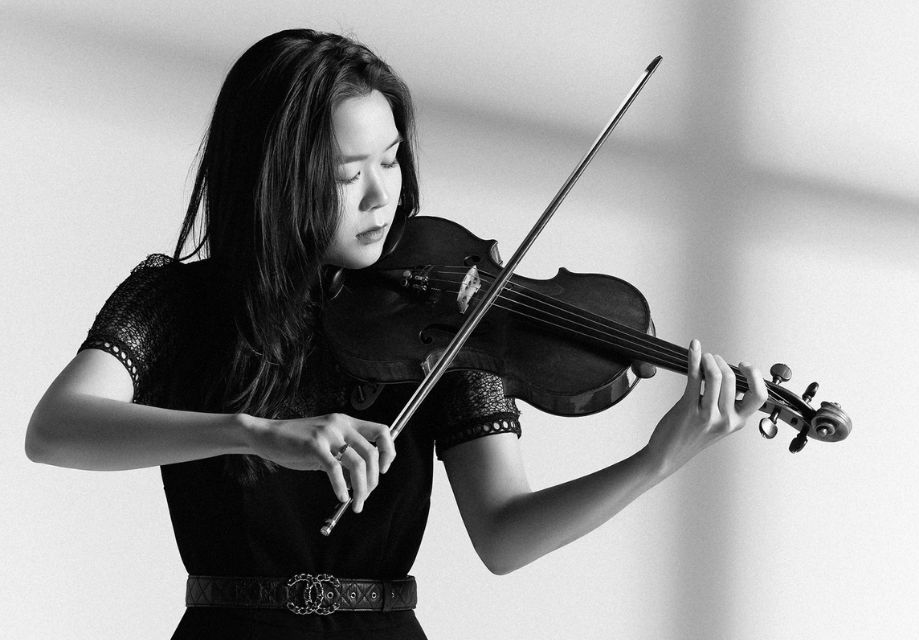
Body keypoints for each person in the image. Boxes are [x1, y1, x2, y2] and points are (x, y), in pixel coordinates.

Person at [24, 29, 767, 639]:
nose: (385, 196)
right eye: (349, 174)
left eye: (391, 161)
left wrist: (656, 461)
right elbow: (54, 429)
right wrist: (254, 433)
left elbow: (505, 534)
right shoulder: (178, 302)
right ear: (273, 179)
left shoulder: (449, 327)